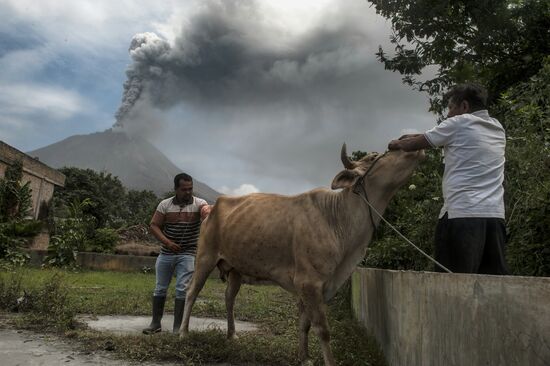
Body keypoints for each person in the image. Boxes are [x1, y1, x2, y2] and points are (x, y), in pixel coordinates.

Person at [388, 83, 508, 274]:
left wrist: (397, 144)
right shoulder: (497, 127)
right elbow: (443, 135)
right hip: (495, 218)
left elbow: (415, 144)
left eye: (451, 107)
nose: (449, 114)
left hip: (462, 215)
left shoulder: (458, 123)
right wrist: (415, 136)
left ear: (465, 107)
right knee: (493, 284)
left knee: (452, 282)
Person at [143, 173, 210, 334]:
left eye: (190, 189)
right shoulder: (165, 205)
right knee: (160, 288)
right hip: (166, 253)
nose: (188, 192)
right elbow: (154, 226)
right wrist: (167, 242)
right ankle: (155, 324)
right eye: (184, 189)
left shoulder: (199, 203)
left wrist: (208, 212)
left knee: (181, 288)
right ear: (175, 189)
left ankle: (177, 327)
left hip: (187, 253)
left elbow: (205, 211)